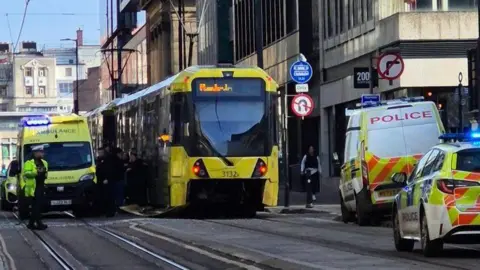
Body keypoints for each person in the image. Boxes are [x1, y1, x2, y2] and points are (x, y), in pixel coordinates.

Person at [23, 145, 48, 230]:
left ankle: (31, 224)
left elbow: (46, 173)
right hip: (33, 187)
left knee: (37, 206)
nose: (42, 153)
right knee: (36, 206)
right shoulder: (29, 163)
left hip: (41, 186)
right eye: (41, 152)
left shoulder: (44, 162)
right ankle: (39, 223)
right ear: (35, 153)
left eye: (42, 151)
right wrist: (36, 172)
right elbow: (26, 173)